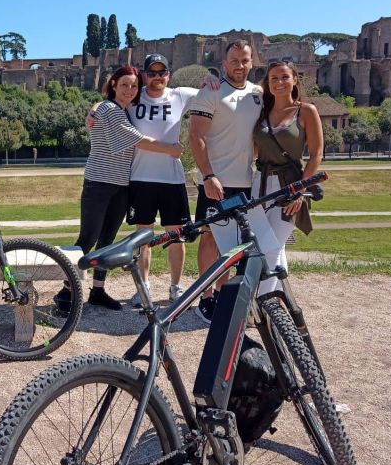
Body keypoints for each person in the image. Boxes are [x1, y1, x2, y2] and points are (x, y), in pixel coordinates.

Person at [55, 66, 182, 312]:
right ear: (113, 85)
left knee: (107, 241)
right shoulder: (109, 110)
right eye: (124, 84)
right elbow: (138, 140)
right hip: (99, 184)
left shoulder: (125, 111)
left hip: (121, 186)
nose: (129, 90)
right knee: (87, 239)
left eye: (134, 86)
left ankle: (98, 290)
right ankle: (66, 291)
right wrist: (171, 149)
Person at [188, 40, 280, 318]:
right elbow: (195, 136)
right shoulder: (211, 92)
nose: (239, 66)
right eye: (234, 60)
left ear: (252, 62)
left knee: (237, 243)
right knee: (210, 240)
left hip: (245, 180)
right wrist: (208, 176)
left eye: (245, 60)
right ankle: (206, 297)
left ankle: (224, 295)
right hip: (215, 180)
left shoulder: (259, 94)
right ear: (224, 63)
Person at [126, 54, 202, 305]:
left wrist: (215, 82)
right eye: (152, 73)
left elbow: (213, 90)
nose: (157, 77)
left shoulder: (180, 95)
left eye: (162, 73)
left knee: (176, 236)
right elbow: (107, 102)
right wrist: (92, 112)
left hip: (172, 178)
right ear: (144, 75)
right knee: (142, 238)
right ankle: (143, 287)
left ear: (169, 74)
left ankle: (176, 287)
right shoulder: (134, 96)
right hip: (141, 177)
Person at [252, 60, 323, 293]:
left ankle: (261, 305)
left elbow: (316, 155)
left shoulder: (306, 111)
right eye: (274, 78)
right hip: (259, 184)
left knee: (271, 246)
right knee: (261, 244)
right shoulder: (261, 112)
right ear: (267, 84)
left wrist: (301, 191)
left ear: (294, 80)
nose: (279, 82)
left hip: (290, 185)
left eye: (284, 77)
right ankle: (280, 297)